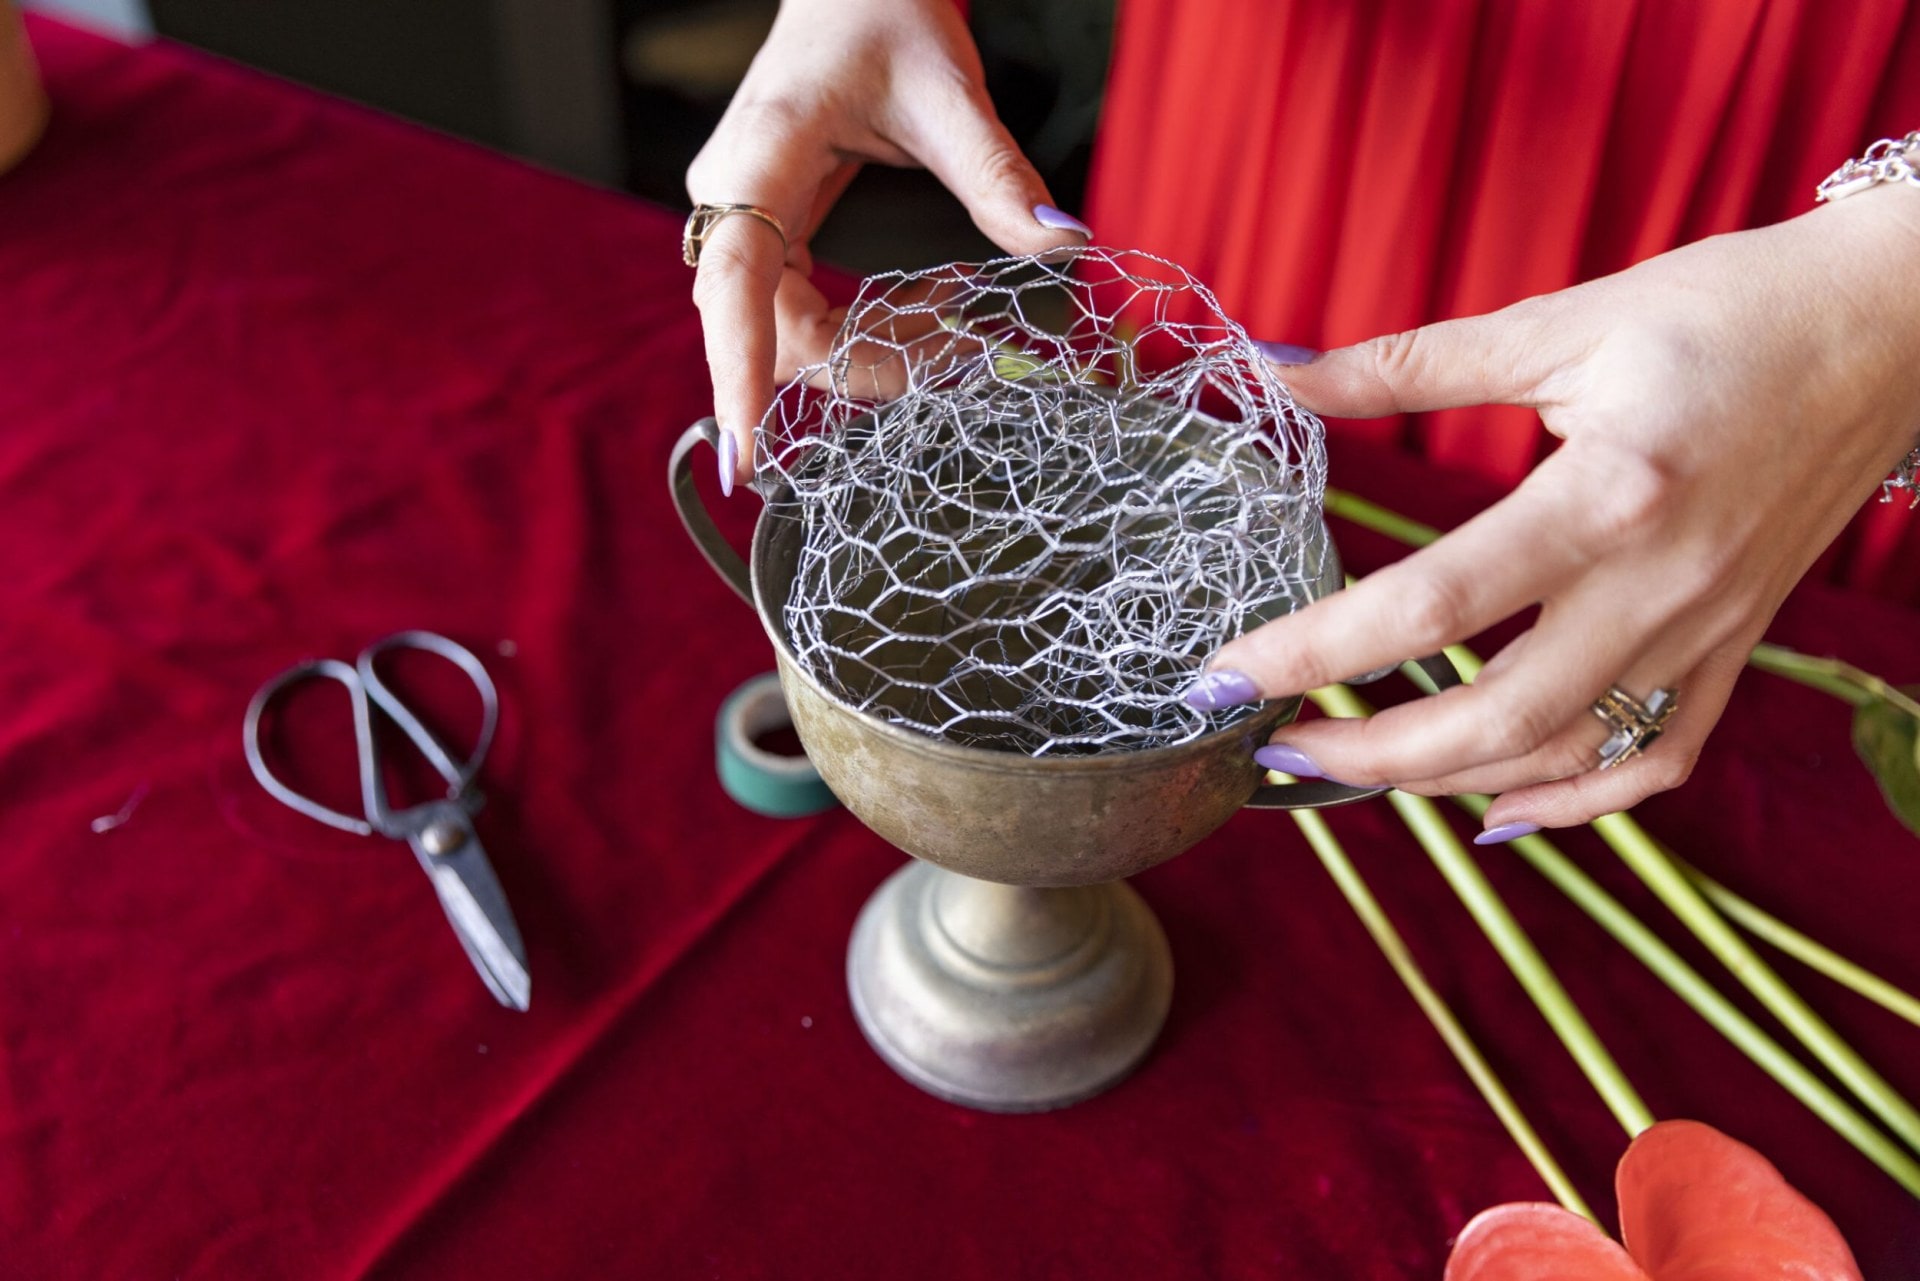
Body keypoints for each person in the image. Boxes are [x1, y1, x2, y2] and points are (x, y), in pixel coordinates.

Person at [682, 0, 1920, 841]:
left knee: (1632, 637)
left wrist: (1879, 306)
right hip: (1288, 92)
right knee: (1175, 413)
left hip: (1781, 241)